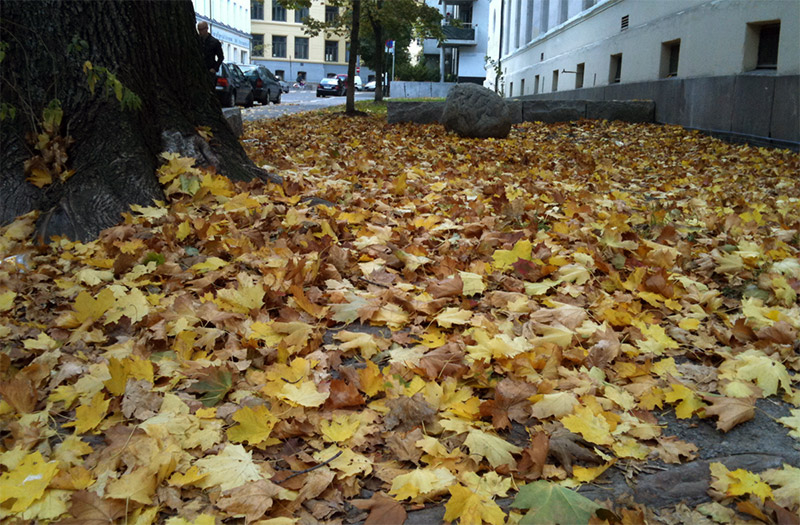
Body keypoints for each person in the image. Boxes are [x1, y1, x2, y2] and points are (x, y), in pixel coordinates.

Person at [197, 21, 223, 87]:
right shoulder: (197, 41)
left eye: (202, 29)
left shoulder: (214, 42)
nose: (200, 32)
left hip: (209, 70)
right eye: (199, 30)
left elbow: (221, 57)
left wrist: (214, 68)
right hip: (198, 70)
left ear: (206, 29)